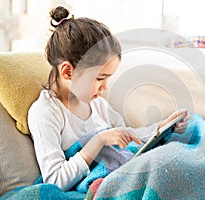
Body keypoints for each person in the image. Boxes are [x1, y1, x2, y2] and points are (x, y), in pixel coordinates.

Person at [27, 6, 190, 192]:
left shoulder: (98, 105)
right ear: (68, 71)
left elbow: (127, 140)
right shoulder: (46, 113)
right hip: (101, 185)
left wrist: (161, 129)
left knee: (187, 144)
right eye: (100, 78)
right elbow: (55, 181)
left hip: (124, 173)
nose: (104, 88)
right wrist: (99, 141)